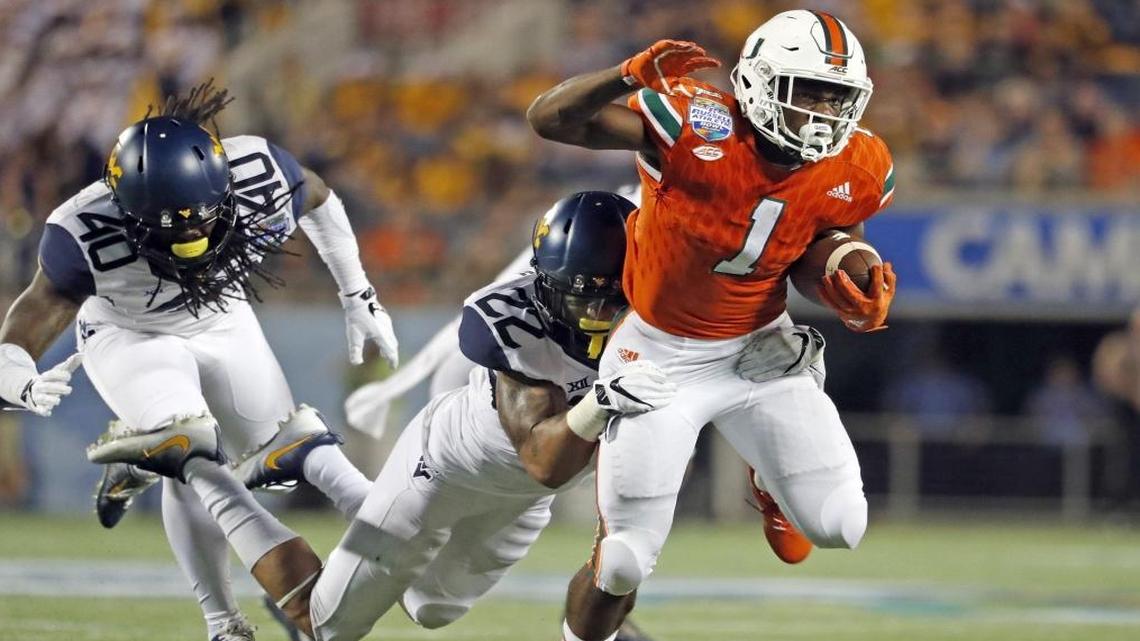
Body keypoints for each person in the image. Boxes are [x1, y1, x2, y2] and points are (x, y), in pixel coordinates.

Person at [87, 190, 820, 640]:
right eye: (583, 292)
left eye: (613, 292)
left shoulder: (665, 314)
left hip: (518, 504)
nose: (600, 310)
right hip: (447, 466)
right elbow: (543, 454)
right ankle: (206, 469)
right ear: (546, 282)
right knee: (329, 624)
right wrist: (603, 398)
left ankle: (308, 451)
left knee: (431, 610)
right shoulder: (506, 317)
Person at [526, 10, 896, 640]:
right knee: (621, 562)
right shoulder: (697, 122)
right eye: (806, 92)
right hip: (658, 354)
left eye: (836, 98)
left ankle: (770, 481)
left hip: (759, 350)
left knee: (841, 525)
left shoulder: (857, 162)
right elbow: (550, 119)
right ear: (757, 80)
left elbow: (825, 241)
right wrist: (623, 77)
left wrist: (845, 277)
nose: (821, 114)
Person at [0, 81, 398, 641]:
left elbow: (321, 199)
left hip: (224, 321)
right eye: (170, 225)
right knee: (195, 453)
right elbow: (37, 306)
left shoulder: (260, 171)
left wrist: (357, 294)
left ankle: (144, 457)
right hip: (131, 334)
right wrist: (14, 370)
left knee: (274, 448)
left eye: (202, 218)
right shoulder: (82, 229)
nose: (190, 235)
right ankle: (224, 625)